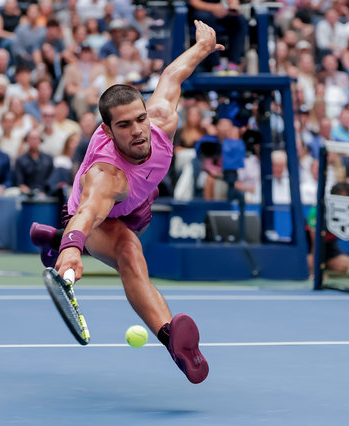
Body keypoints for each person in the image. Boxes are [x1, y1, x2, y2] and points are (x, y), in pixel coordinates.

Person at [29, 20, 223, 384]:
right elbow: (88, 213)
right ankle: (173, 341)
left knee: (134, 233)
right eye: (124, 125)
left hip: (137, 207)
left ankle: (52, 240)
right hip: (94, 216)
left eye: (140, 118)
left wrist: (203, 46)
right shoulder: (106, 177)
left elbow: (172, 74)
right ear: (106, 130)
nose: (137, 130)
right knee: (130, 253)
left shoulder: (161, 121)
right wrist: (73, 248)